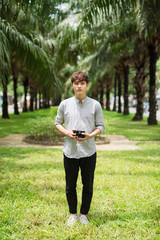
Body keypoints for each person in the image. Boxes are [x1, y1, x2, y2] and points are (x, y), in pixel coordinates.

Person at [54, 71, 105, 226]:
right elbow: (57, 123)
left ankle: (83, 214)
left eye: (82, 83)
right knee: (70, 185)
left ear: (86, 85)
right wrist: (67, 132)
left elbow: (101, 126)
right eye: (76, 83)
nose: (79, 86)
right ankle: (73, 214)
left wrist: (90, 135)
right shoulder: (65, 104)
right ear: (72, 86)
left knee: (87, 185)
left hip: (89, 151)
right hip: (70, 151)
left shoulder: (95, 105)